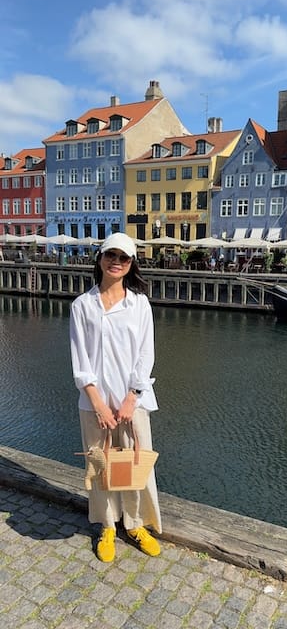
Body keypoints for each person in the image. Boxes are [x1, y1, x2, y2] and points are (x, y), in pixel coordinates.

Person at [70, 233, 161, 563]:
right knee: (101, 468)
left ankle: (136, 524)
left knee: (136, 466)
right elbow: (81, 362)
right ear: (100, 258)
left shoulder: (139, 305)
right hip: (94, 404)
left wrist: (131, 397)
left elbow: (145, 355)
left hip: (132, 402)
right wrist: (97, 403)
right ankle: (108, 525)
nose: (116, 262)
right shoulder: (82, 306)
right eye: (111, 255)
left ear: (131, 263)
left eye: (124, 257)